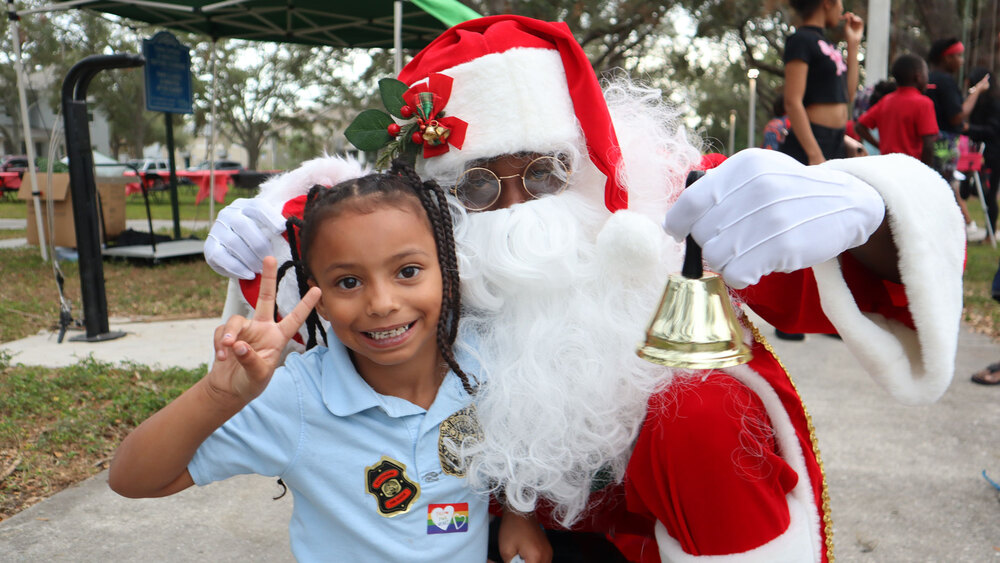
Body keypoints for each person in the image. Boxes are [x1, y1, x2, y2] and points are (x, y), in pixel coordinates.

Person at [204, 15, 965, 562]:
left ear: (592, 160)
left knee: (700, 407)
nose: (517, 209)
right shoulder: (404, 260)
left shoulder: (664, 206)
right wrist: (256, 238)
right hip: (491, 530)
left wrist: (862, 208)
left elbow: (863, 277)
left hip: (683, 520)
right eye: (475, 187)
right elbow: (294, 270)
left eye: (543, 172)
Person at [108, 161, 551, 562]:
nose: (381, 303)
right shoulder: (297, 398)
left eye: (408, 271)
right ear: (315, 296)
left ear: (449, 271)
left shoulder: (484, 365)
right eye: (349, 281)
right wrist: (217, 395)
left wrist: (518, 513)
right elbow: (133, 479)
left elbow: (512, 442)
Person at [781, 0, 863, 166]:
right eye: (839, 2)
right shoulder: (801, 40)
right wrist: (814, 153)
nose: (841, 8)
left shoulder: (828, 44)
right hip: (811, 144)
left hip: (836, 141)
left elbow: (849, 94)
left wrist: (853, 44)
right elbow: (792, 101)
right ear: (827, 2)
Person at [925, 37, 991, 241]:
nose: (962, 61)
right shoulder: (946, 81)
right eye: (959, 56)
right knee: (945, 186)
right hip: (943, 142)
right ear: (947, 58)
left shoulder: (926, 76)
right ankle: (954, 229)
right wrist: (978, 91)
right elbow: (957, 115)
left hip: (926, 138)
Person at [855, 53, 938, 165]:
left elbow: (860, 126)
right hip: (911, 167)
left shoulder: (886, 101)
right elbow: (928, 145)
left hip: (887, 165)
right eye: (926, 74)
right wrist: (927, 172)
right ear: (918, 76)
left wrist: (880, 145)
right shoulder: (924, 103)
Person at [964, 66, 1000, 235]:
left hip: (993, 154)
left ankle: (990, 233)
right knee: (970, 190)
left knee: (989, 194)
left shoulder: (994, 103)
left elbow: (993, 130)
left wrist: (969, 128)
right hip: (976, 152)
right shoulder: (978, 102)